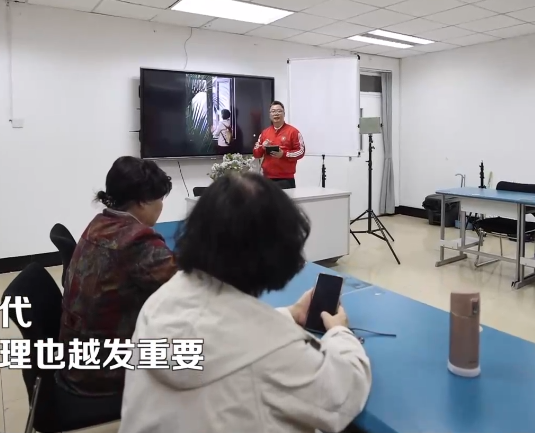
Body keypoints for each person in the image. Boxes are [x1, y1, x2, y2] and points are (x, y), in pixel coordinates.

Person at [120, 173, 371, 433]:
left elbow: (221, 333)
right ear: (278, 253)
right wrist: (340, 332)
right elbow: (342, 395)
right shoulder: (275, 352)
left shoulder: (159, 303)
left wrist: (290, 313)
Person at [58, 156, 176, 400]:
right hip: (103, 371)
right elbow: (188, 288)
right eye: (160, 199)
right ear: (142, 201)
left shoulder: (100, 223)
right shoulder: (137, 241)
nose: (161, 206)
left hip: (79, 357)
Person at [253, 100, 305, 189]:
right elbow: (256, 154)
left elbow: (301, 151)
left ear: (284, 114)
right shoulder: (264, 133)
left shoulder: (293, 132)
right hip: (267, 178)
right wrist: (262, 147)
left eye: (279, 111)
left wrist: (283, 154)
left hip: (286, 179)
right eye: (273, 111)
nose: (276, 114)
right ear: (270, 115)